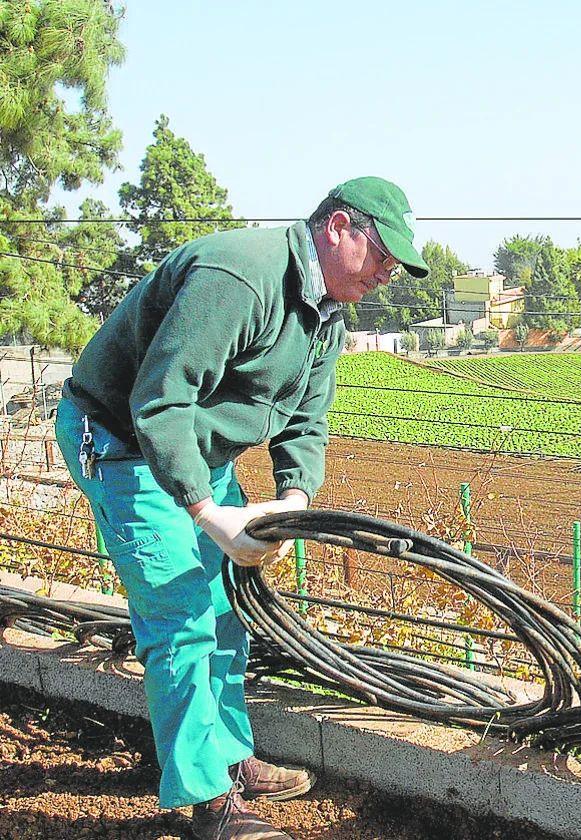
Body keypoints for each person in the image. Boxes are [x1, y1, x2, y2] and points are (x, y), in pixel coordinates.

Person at [55, 177, 430, 840]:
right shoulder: (241, 278)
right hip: (122, 441)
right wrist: (208, 512)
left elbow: (306, 423)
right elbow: (160, 404)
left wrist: (289, 500)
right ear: (339, 225)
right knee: (182, 617)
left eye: (394, 265)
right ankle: (206, 801)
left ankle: (228, 755)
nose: (386, 274)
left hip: (193, 450)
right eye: (381, 255)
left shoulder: (327, 315)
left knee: (229, 606)